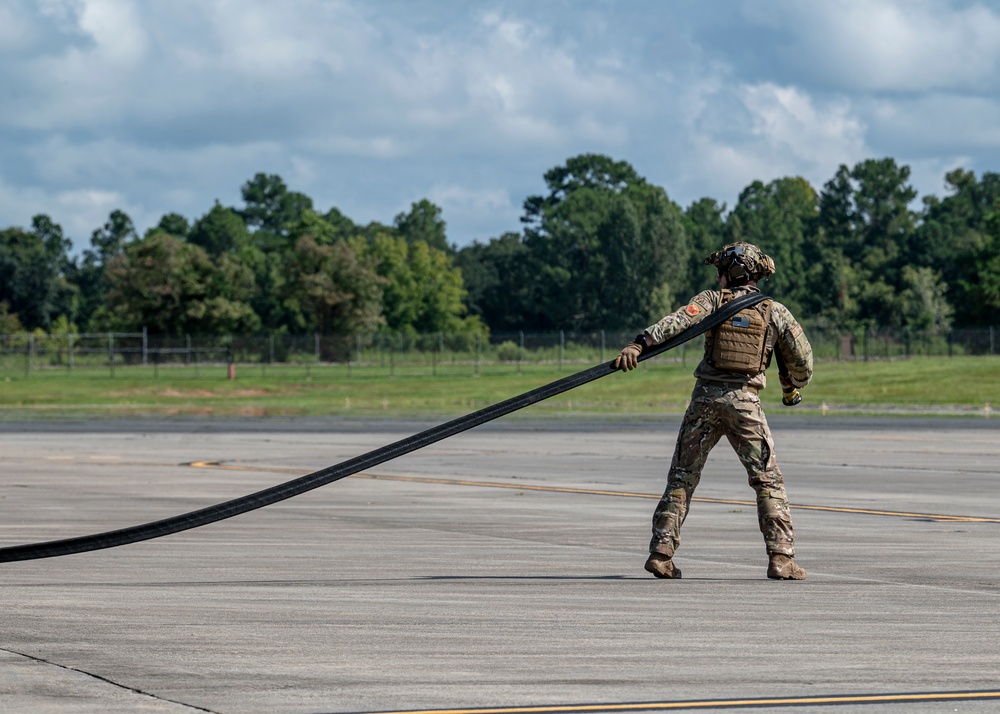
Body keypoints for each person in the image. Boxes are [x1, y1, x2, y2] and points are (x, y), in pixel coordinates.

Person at [614, 242, 813, 580]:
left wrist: (639, 344)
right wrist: (791, 384)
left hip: (704, 400)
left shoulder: (711, 301)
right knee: (767, 481)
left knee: (681, 477)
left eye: (720, 271)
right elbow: (803, 364)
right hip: (745, 403)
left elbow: (675, 323)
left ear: (730, 274)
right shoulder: (775, 312)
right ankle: (781, 558)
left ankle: (661, 552)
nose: (717, 276)